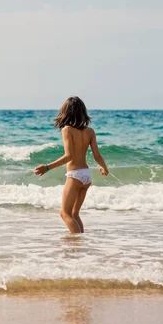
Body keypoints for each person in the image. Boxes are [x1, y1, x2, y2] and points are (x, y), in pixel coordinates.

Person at [34, 97, 108, 233]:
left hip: (75, 175)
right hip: (87, 175)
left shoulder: (67, 129)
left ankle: (76, 243)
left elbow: (69, 156)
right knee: (74, 214)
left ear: (66, 112)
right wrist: (104, 167)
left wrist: (47, 167)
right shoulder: (90, 131)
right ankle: (80, 244)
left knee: (65, 213)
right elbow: (97, 155)